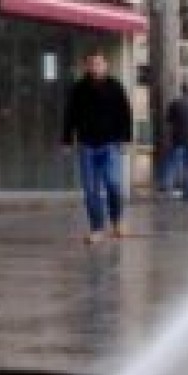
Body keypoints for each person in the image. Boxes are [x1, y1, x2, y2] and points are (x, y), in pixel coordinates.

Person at [63, 52, 133, 244]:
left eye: (99, 63)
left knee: (113, 183)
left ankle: (117, 220)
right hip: (87, 145)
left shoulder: (115, 87)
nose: (95, 67)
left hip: (110, 144)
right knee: (90, 190)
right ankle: (96, 228)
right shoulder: (79, 89)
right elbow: (70, 115)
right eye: (92, 64)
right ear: (86, 66)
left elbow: (125, 114)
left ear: (106, 65)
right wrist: (67, 139)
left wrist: (125, 139)